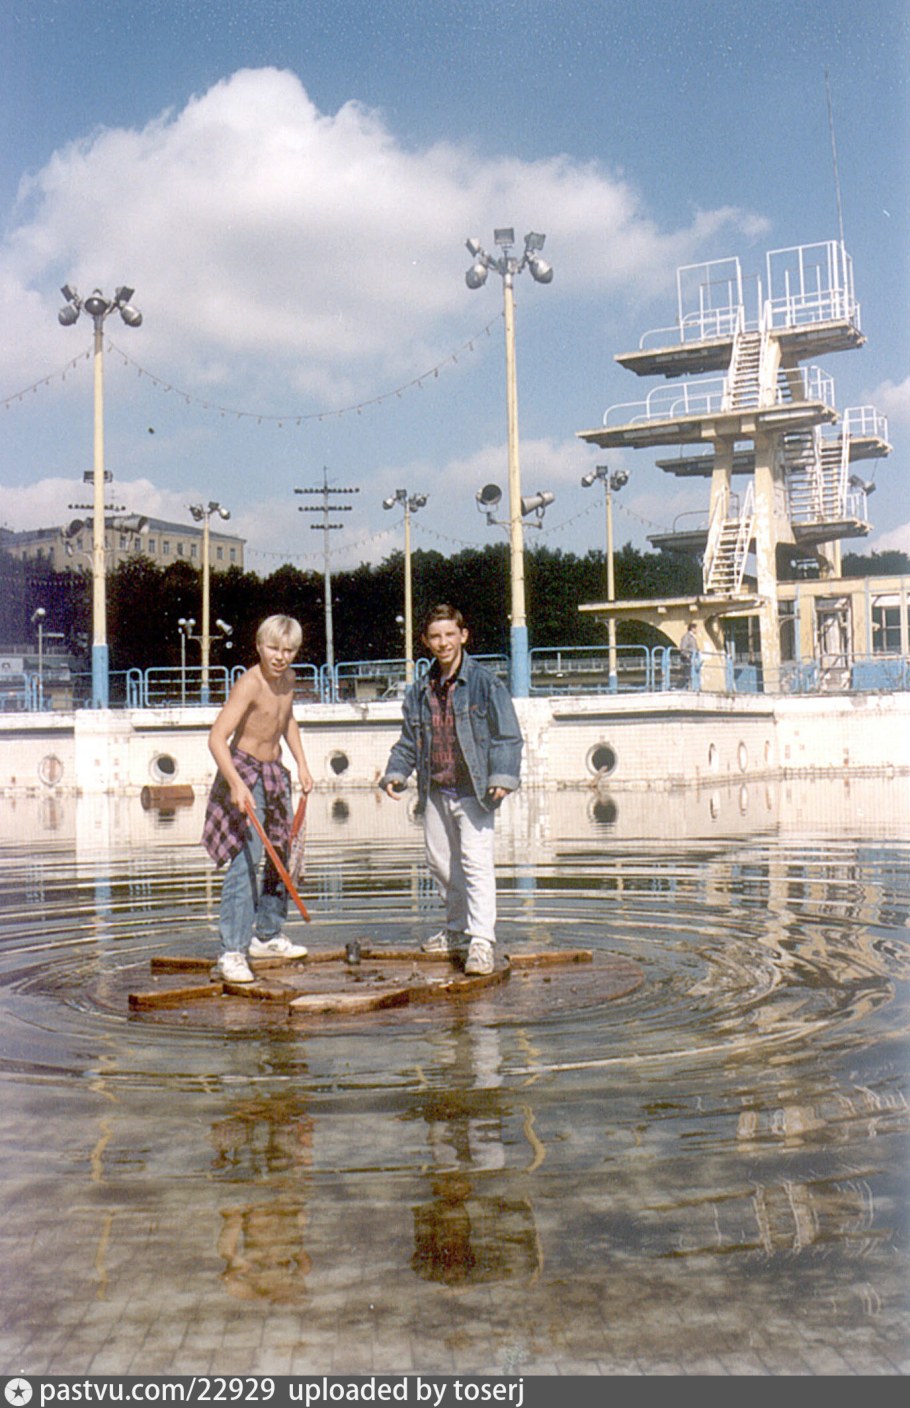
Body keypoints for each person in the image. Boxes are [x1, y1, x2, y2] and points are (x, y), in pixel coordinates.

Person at [380, 604, 523, 976]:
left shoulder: (485, 683)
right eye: (435, 636)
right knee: (442, 865)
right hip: (436, 790)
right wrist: (396, 772)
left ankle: (481, 942)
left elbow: (507, 736)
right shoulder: (419, 691)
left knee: (476, 864)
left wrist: (501, 778)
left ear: (463, 636)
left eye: (449, 635)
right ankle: (457, 929)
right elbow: (409, 741)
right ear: (426, 642)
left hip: (474, 792)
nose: (443, 643)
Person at [202, 614, 314, 983]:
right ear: (258, 645)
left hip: (274, 774)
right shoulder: (249, 683)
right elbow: (217, 737)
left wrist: (302, 765)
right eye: (273, 648)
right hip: (244, 774)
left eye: (289, 650)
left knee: (280, 854)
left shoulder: (289, 679)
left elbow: (287, 720)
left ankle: (267, 934)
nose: (280, 657)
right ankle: (232, 951)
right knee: (246, 860)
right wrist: (235, 783)